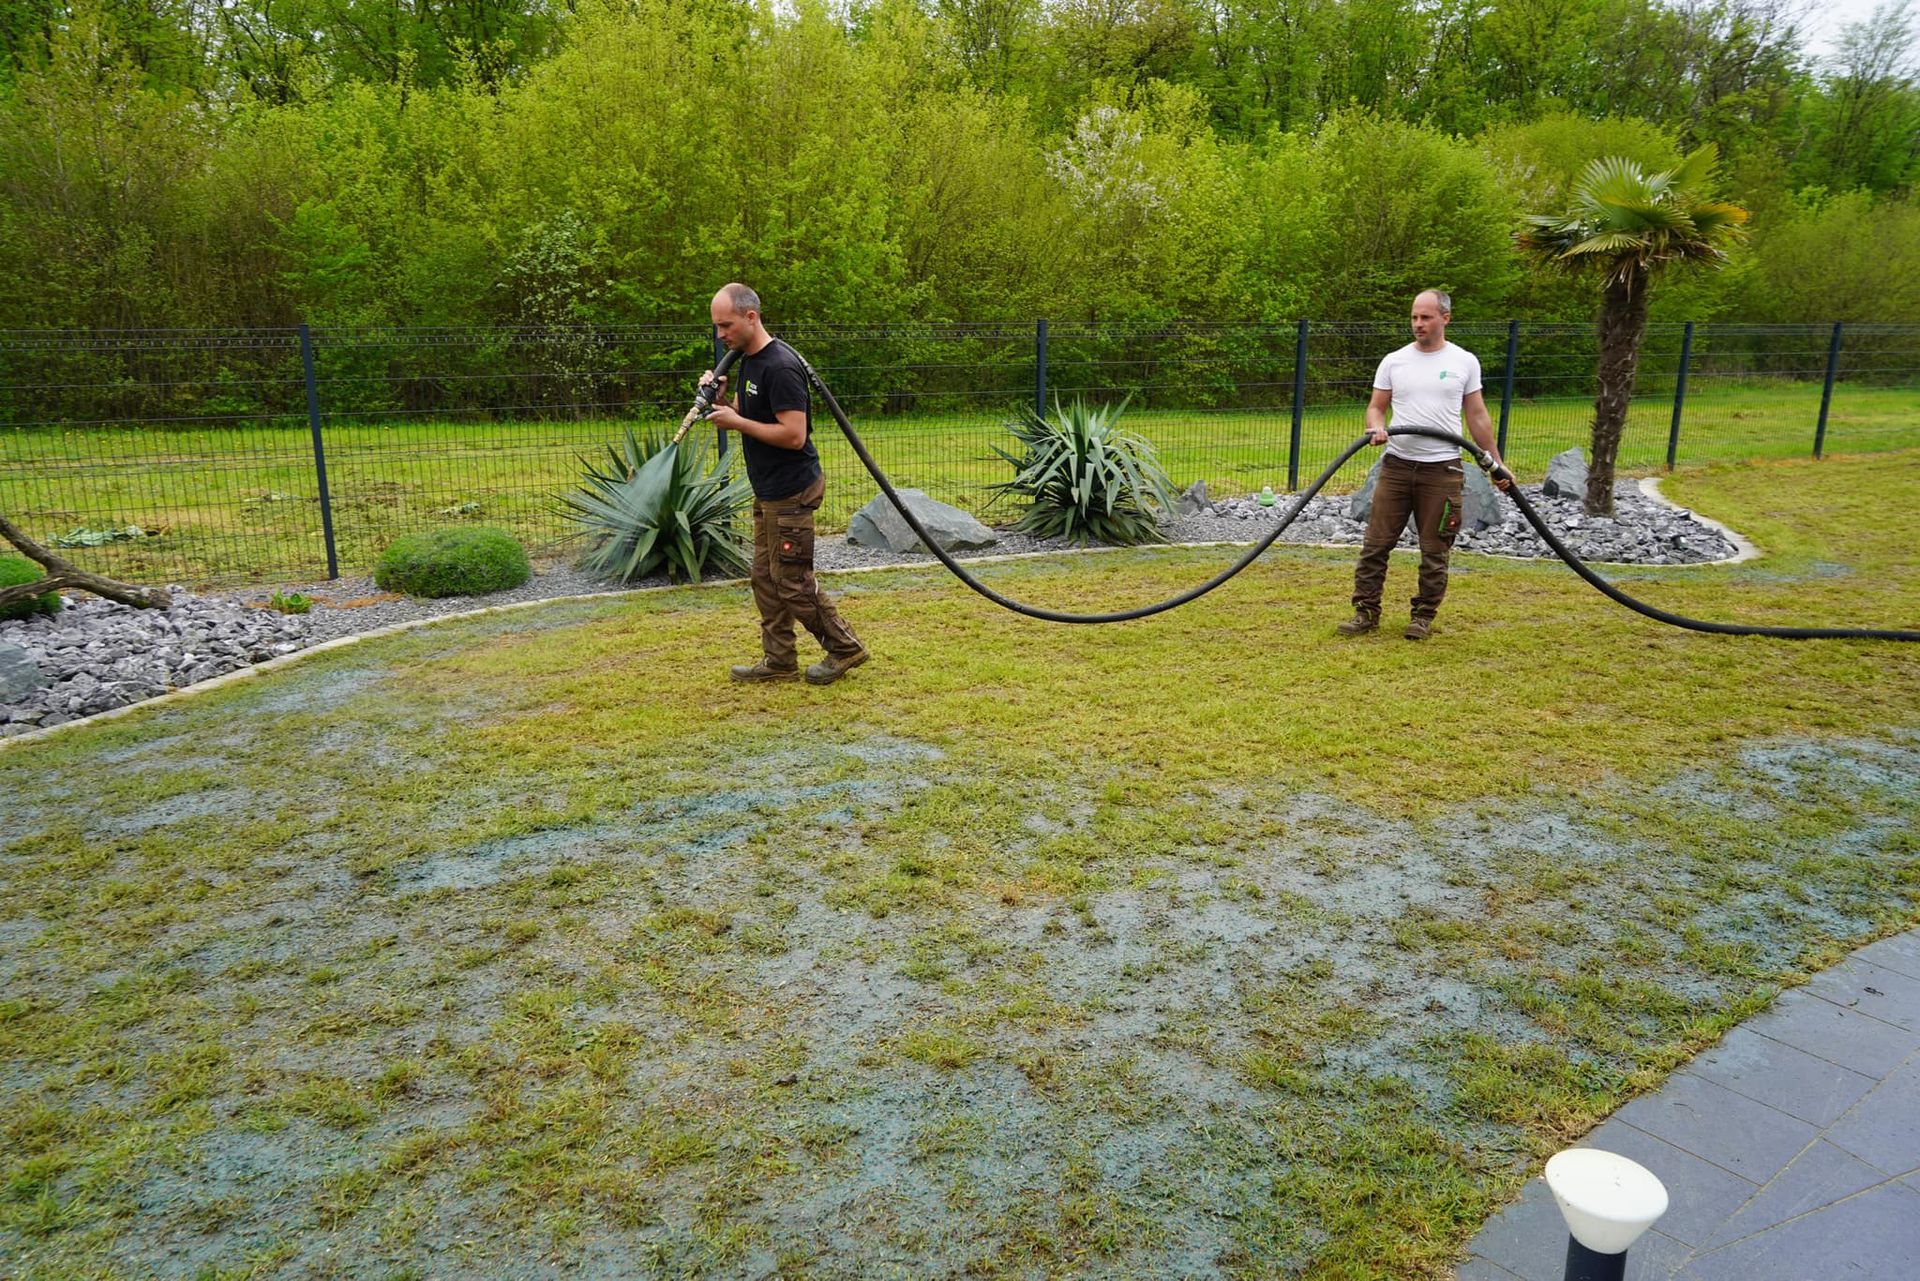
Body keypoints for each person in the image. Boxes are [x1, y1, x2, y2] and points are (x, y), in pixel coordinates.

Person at [701, 283, 868, 684]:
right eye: (717, 327)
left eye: (725, 325)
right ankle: (778, 661)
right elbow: (758, 414)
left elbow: (793, 435)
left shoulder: (780, 365)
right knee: (765, 576)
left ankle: (845, 648)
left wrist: (736, 423)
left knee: (791, 581)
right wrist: (726, 403)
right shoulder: (748, 360)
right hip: (769, 490)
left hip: (791, 491)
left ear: (750, 317)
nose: (720, 335)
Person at [1339, 289, 1510, 641]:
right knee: (1375, 544)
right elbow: (1376, 406)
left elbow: (1477, 416)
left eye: (1426, 317)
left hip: (1443, 470)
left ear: (1445, 318)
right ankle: (1366, 612)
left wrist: (1494, 463)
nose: (1418, 324)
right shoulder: (1394, 361)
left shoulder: (1464, 361)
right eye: (1415, 317)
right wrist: (1376, 426)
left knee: (1435, 549)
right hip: (1397, 466)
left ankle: (1423, 617)